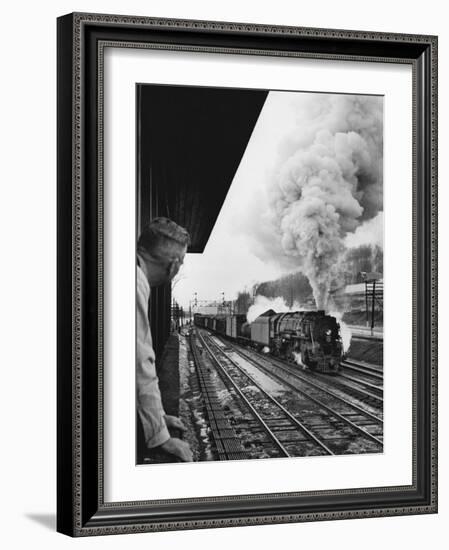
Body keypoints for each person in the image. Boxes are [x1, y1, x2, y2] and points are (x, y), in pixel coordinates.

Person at [136, 217, 193, 462]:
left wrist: (159, 417)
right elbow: (140, 365)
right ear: (173, 266)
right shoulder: (134, 284)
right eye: (181, 262)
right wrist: (161, 436)